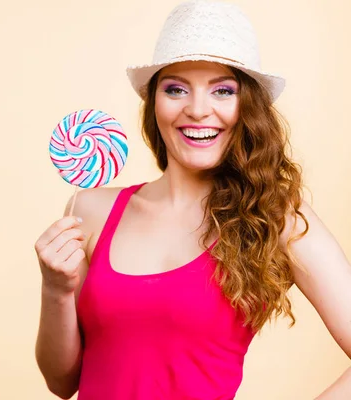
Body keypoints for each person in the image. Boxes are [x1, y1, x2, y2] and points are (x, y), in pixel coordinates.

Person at [33, 0, 351, 399]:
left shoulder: (273, 215)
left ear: (247, 106)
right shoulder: (90, 210)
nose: (198, 110)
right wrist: (55, 290)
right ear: (155, 103)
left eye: (222, 90)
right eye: (176, 88)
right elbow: (62, 382)